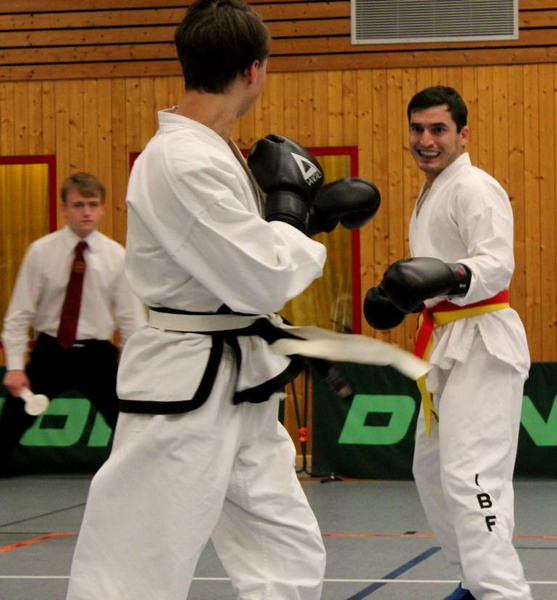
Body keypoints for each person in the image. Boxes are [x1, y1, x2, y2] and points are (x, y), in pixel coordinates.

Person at [66, 1, 381, 598]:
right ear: (254, 70)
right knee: (135, 563)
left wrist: (295, 223)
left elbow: (236, 260)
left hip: (239, 379)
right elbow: (258, 276)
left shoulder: (212, 149)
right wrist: (294, 216)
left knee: (284, 551)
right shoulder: (182, 159)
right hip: (187, 384)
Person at [363, 86, 532, 599]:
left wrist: (447, 276)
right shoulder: (435, 190)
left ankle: (502, 592)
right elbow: (437, 275)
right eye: (417, 129)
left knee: (472, 473)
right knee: (433, 471)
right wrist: (402, 298)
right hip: (444, 337)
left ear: (463, 134)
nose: (426, 140)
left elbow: (495, 263)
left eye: (438, 130)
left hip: (484, 337)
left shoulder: (476, 187)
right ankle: (475, 582)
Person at [0, 172, 147, 476]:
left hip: (97, 355)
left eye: (93, 204)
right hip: (50, 351)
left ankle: (144, 475)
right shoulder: (41, 252)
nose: (86, 212)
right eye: (78, 205)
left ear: (103, 209)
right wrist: (14, 366)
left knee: (130, 424)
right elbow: (19, 313)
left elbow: (131, 319)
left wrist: (136, 365)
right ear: (64, 208)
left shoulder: (115, 256)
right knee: (11, 422)